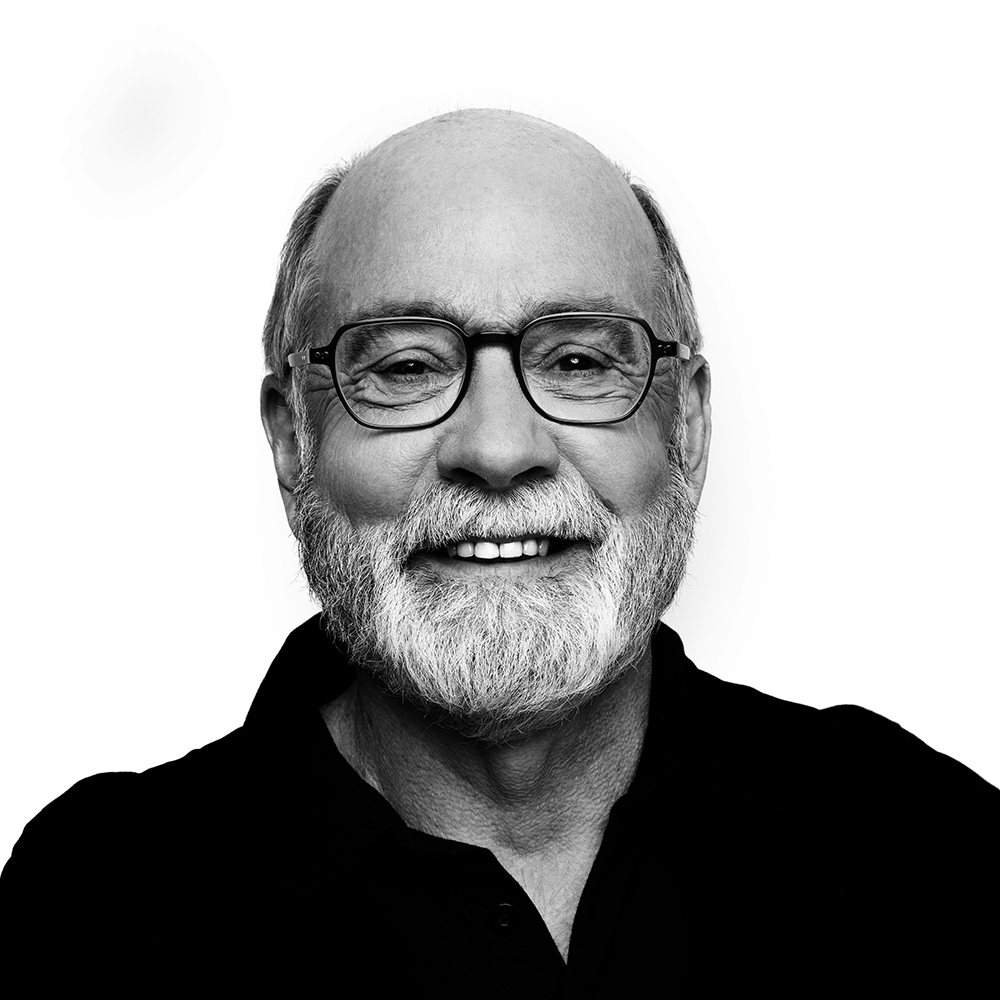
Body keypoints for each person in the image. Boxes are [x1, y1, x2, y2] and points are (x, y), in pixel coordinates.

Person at [3, 109, 997, 995]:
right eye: (404, 368)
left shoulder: (921, 849)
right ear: (292, 439)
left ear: (686, 426)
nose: (496, 447)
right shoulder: (98, 911)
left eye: (577, 360)